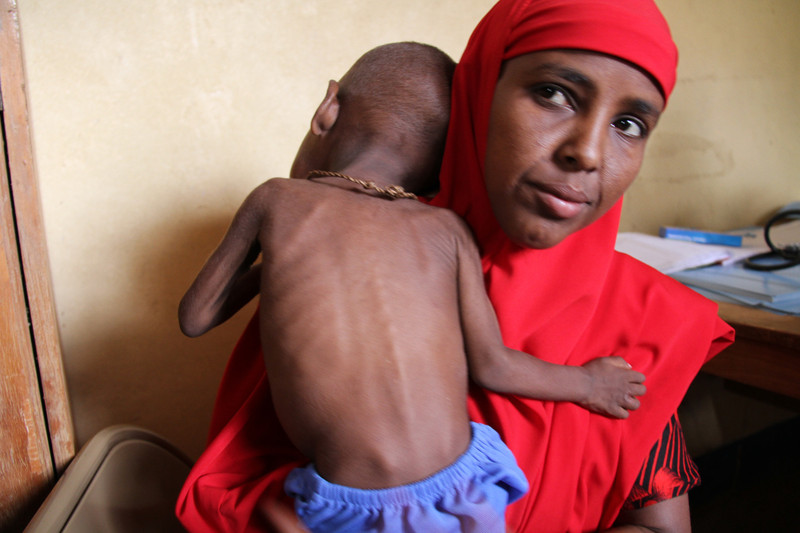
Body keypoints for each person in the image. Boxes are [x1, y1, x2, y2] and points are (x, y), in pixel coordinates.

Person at [176, 1, 735, 532]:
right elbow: (227, 493)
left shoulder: (648, 326)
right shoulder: (335, 269)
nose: (587, 152)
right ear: (477, 98)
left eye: (630, 125)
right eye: (553, 93)